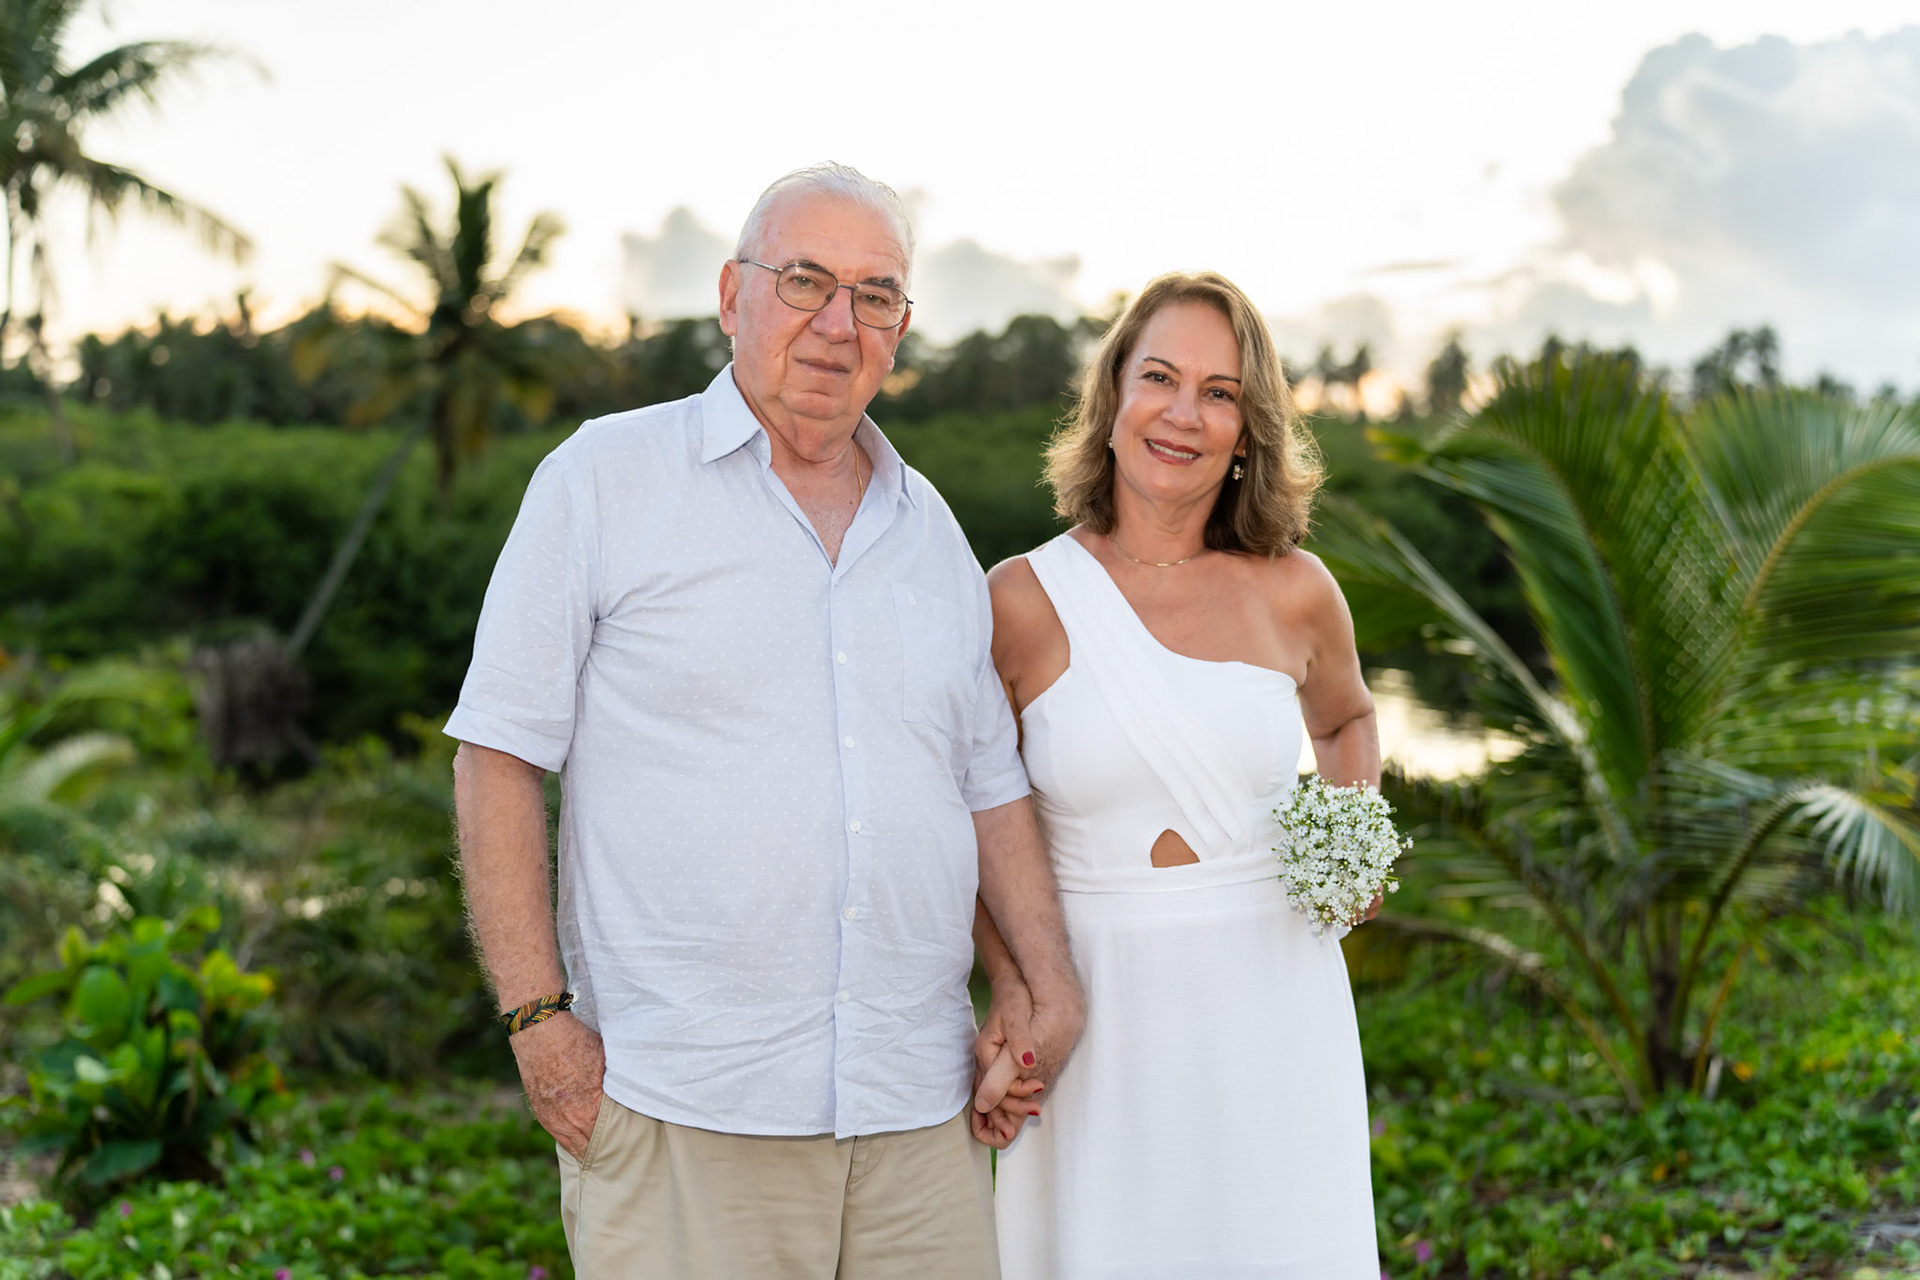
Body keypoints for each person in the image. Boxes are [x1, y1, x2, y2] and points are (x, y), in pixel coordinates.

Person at [446, 162, 1082, 1279]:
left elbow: (986, 782)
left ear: (900, 331)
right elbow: (498, 753)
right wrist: (539, 1024)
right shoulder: (604, 478)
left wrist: (1049, 982)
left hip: (918, 1117)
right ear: (732, 296)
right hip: (683, 1107)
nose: (838, 323)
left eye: (874, 295)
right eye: (805, 281)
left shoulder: (930, 529)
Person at [974, 272, 1383, 1277]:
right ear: (1112, 396)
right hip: (1096, 1007)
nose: (1184, 414)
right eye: (1159, 377)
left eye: (1219, 392)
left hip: (1277, 998)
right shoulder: (1018, 602)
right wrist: (1013, 987)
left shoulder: (1296, 591)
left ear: (1247, 433)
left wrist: (1353, 847)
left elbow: (1346, 719)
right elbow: (966, 818)